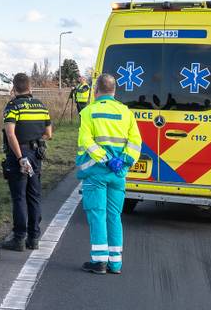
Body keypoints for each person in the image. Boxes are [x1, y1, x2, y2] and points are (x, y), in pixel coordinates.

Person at [76, 73, 142, 275]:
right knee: (114, 216)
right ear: (114, 91)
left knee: (97, 215)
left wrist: (105, 159)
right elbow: (135, 143)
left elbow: (87, 142)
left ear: (96, 90)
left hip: (96, 173)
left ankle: (99, 262)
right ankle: (115, 263)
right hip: (118, 174)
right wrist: (121, 161)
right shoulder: (126, 113)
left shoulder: (89, 112)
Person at [1, 73, 53, 251]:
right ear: (30, 87)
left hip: (20, 155)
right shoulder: (41, 106)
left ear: (14, 88)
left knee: (19, 197)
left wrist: (20, 157)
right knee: (34, 195)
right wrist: (36, 140)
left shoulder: (12, 106)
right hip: (36, 154)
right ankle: (34, 238)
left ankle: (19, 238)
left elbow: (10, 134)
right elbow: (49, 134)